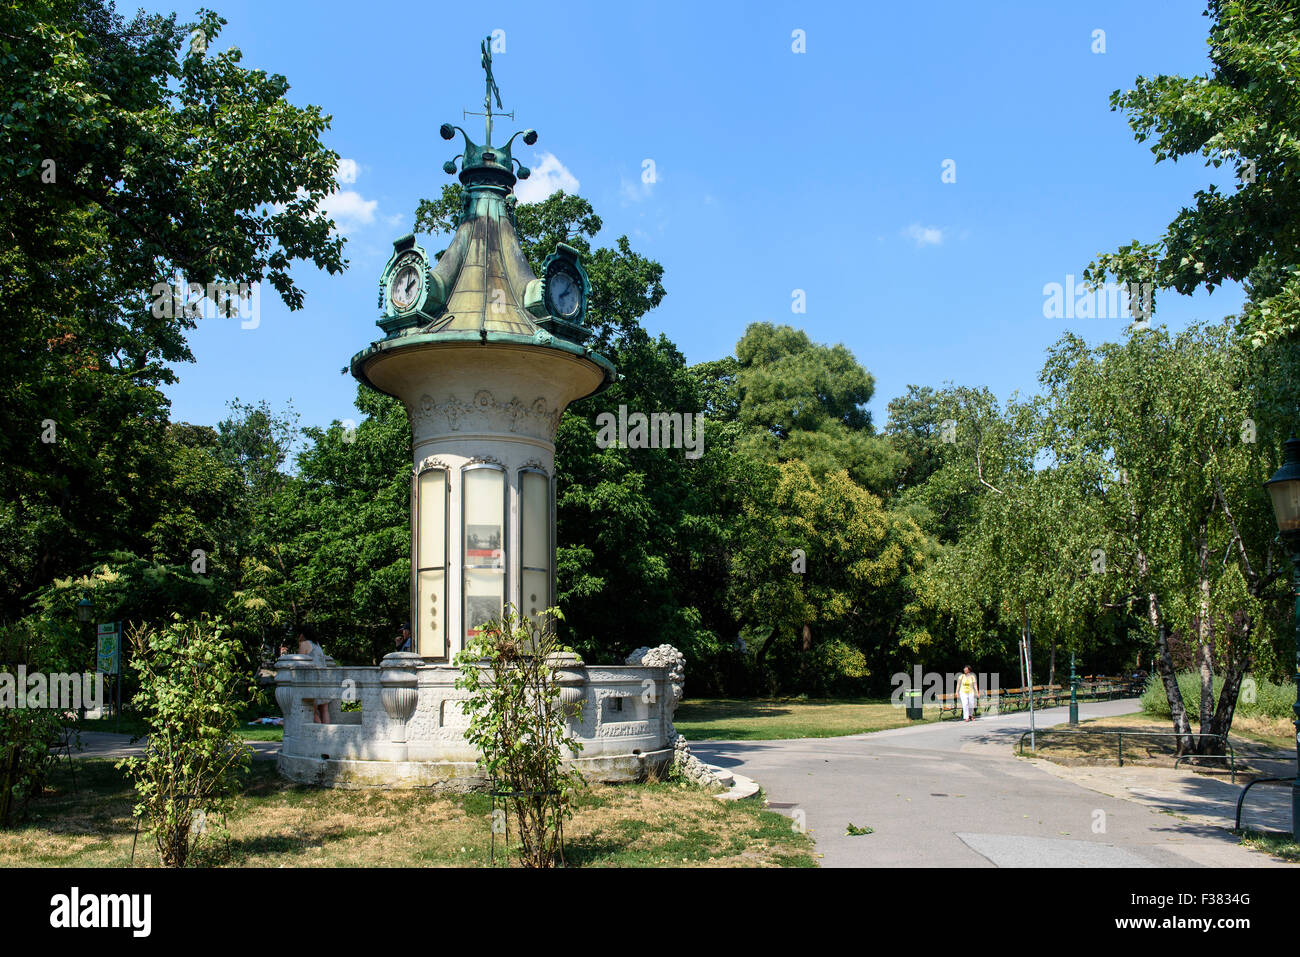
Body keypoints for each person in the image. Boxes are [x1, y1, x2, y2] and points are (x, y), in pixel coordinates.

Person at [297, 624, 330, 723]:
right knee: (324, 710)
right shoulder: (317, 645)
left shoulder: (305, 644)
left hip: (313, 681)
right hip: (324, 680)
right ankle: (327, 735)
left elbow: (299, 663)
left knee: (312, 711)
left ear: (302, 634)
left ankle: (318, 736)